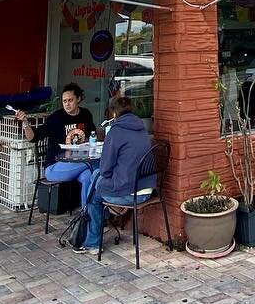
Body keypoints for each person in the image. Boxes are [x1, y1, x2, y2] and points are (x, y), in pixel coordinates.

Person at [79, 94, 154, 254]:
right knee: (95, 176)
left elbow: (106, 170)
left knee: (93, 193)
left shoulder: (116, 132)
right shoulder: (142, 129)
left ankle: (93, 243)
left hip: (129, 193)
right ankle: (104, 219)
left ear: (113, 113)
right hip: (147, 188)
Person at [15, 83, 98, 203]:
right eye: (64, 101)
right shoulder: (56, 118)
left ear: (78, 99)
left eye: (70, 100)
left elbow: (92, 135)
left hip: (79, 161)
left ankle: (86, 216)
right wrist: (25, 122)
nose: (67, 104)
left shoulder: (85, 114)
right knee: (95, 166)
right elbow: (33, 137)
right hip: (56, 166)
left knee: (88, 177)